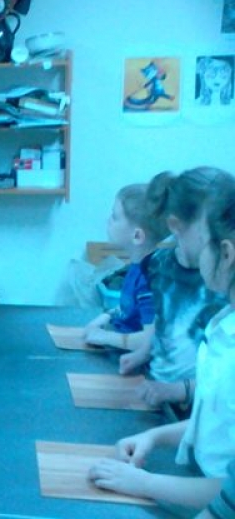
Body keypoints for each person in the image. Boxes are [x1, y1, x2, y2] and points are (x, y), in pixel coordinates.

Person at [88, 172, 235, 512]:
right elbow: (216, 424)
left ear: (226, 254)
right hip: (196, 480)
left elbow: (228, 493)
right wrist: (155, 436)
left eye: (197, 247)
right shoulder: (223, 325)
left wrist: (144, 483)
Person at [119, 167, 229, 412]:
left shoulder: (223, 280)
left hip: (204, 406)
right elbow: (162, 322)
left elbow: (223, 378)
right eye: (213, 229)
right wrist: (143, 353)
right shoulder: (157, 265)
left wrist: (178, 390)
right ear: (175, 225)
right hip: (158, 394)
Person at [83, 183, 170, 349]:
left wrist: (105, 337)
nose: (109, 221)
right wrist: (105, 317)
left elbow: (150, 341)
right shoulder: (136, 267)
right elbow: (130, 308)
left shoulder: (149, 279)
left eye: (115, 217)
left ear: (137, 236)